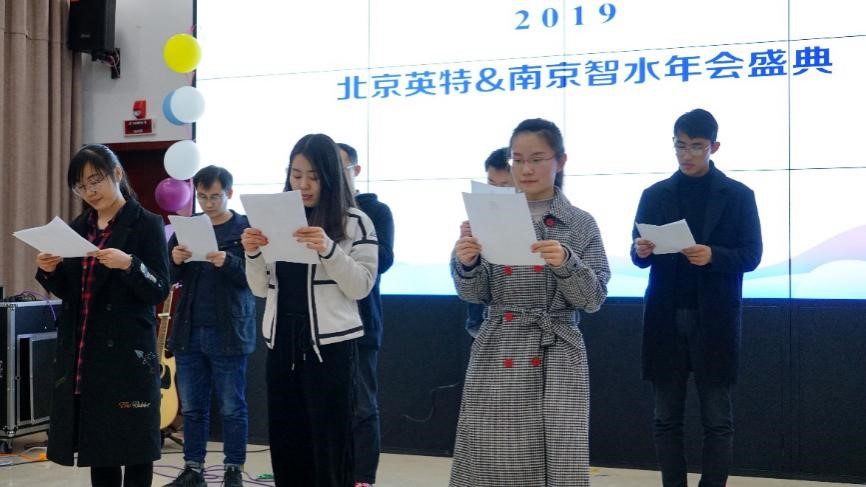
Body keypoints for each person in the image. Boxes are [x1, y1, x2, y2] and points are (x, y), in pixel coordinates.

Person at [450, 119, 610, 486]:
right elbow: (473, 294)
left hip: (557, 349)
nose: (525, 169)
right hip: (499, 344)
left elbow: (593, 299)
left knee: (560, 451)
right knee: (493, 453)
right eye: (517, 159)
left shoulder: (580, 223)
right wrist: (467, 261)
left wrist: (566, 263)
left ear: (560, 161)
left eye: (537, 159)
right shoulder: (488, 215)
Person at [631, 108, 763, 487]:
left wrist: (713, 255)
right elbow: (637, 256)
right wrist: (641, 251)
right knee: (665, 419)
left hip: (714, 318)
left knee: (717, 420)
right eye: (680, 146)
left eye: (696, 146)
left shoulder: (737, 195)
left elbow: (751, 255)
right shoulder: (655, 194)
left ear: (714, 147)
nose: (686, 154)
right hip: (665, 316)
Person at [242, 133, 378, 487]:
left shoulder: (355, 221)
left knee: (330, 445)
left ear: (331, 178)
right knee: (287, 442)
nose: (303, 185)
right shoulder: (274, 218)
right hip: (282, 343)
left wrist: (329, 249)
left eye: (314, 177)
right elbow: (259, 289)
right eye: (296, 174)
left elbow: (361, 286)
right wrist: (252, 253)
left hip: (330, 347)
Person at [35, 144, 170, 487]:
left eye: (96, 180)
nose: (90, 191)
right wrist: (50, 271)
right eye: (81, 185)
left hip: (129, 354)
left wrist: (130, 265)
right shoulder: (79, 228)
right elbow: (73, 292)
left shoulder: (147, 224)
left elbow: (159, 289)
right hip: (88, 351)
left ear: (117, 174)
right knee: (100, 446)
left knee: (136, 446)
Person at [164, 166, 256, 487]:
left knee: (232, 406)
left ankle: (233, 469)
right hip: (189, 329)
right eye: (202, 197)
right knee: (192, 407)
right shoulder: (187, 227)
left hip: (229, 329)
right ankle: (193, 468)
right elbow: (167, 278)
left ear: (229, 193)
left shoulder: (245, 228)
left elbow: (256, 279)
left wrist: (228, 262)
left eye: (215, 196)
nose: (208, 203)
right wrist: (175, 260)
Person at [337, 143, 395, 487]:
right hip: (320, 323)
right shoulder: (313, 211)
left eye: (339, 166)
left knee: (362, 406)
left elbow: (383, 260)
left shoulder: (375, 211)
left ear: (356, 171)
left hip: (361, 321)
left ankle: (362, 478)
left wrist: (341, 247)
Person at [464, 147, 513, 337]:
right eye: (491, 183)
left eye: (505, 185)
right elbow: (466, 284)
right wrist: (466, 256)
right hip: (482, 322)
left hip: (522, 325)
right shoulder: (480, 214)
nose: (496, 192)